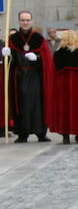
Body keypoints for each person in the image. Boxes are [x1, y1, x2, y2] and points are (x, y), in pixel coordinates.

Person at [1, 11, 54, 143]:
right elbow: (9, 63)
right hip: (18, 77)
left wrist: (37, 58)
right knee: (21, 105)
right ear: (19, 21)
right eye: (23, 20)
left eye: (27, 20)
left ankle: (40, 132)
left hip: (35, 76)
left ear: (32, 21)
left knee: (37, 104)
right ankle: (22, 133)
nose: (25, 22)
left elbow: (46, 60)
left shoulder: (38, 38)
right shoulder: (13, 39)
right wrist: (6, 55)